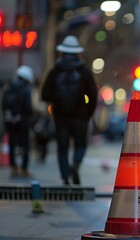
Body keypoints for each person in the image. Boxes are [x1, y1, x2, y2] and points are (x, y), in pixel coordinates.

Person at [41, 35, 98, 185]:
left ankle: (65, 177)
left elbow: (45, 94)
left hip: (61, 117)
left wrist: (56, 103)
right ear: (77, 53)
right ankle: (76, 164)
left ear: (62, 52)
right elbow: (93, 95)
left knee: (62, 148)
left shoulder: (55, 71)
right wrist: (88, 113)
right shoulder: (84, 71)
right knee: (81, 144)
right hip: (80, 116)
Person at [1, 65, 34, 178]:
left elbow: (4, 104)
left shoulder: (8, 88)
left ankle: (13, 167)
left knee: (12, 143)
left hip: (10, 121)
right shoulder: (26, 90)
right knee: (25, 145)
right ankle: (24, 168)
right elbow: (29, 107)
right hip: (23, 121)